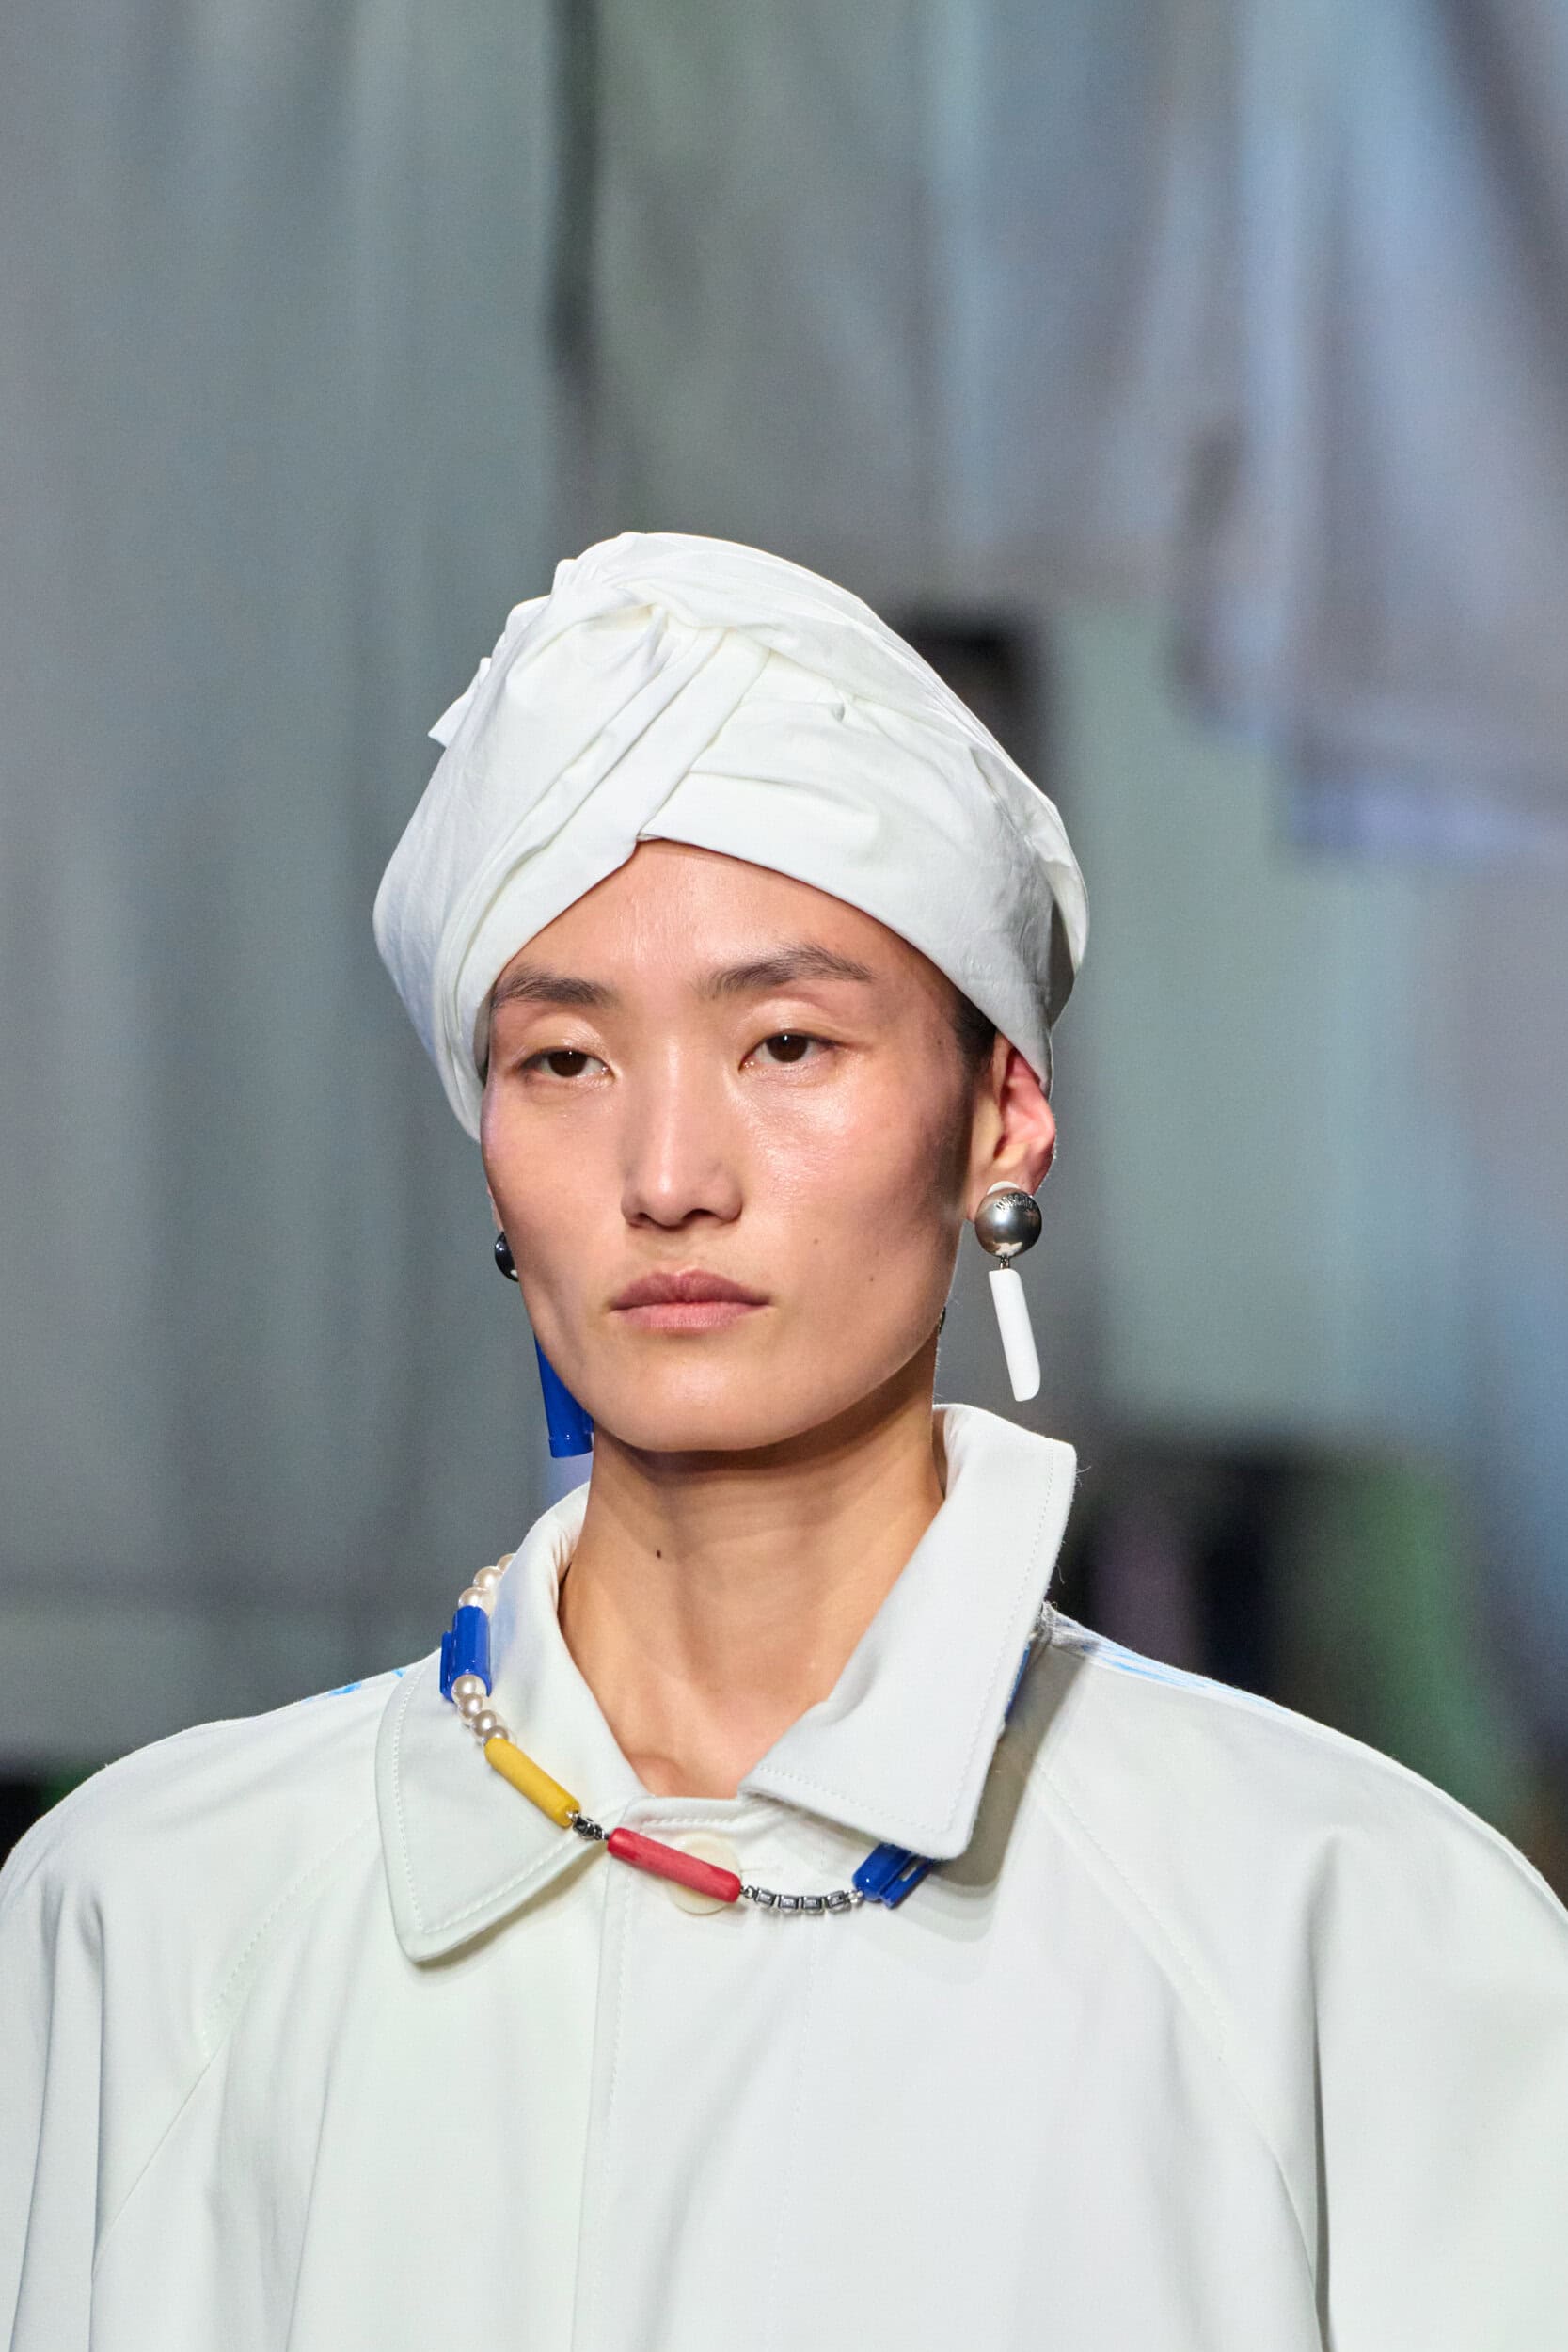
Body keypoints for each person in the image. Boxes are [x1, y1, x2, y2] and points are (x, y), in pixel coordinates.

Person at [2, 532, 1566, 2352]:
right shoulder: (147, 1920)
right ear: (488, 1149)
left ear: (1001, 1118)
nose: (670, 1177)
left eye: (789, 1045)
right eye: (564, 1061)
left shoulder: (1351, 1932)